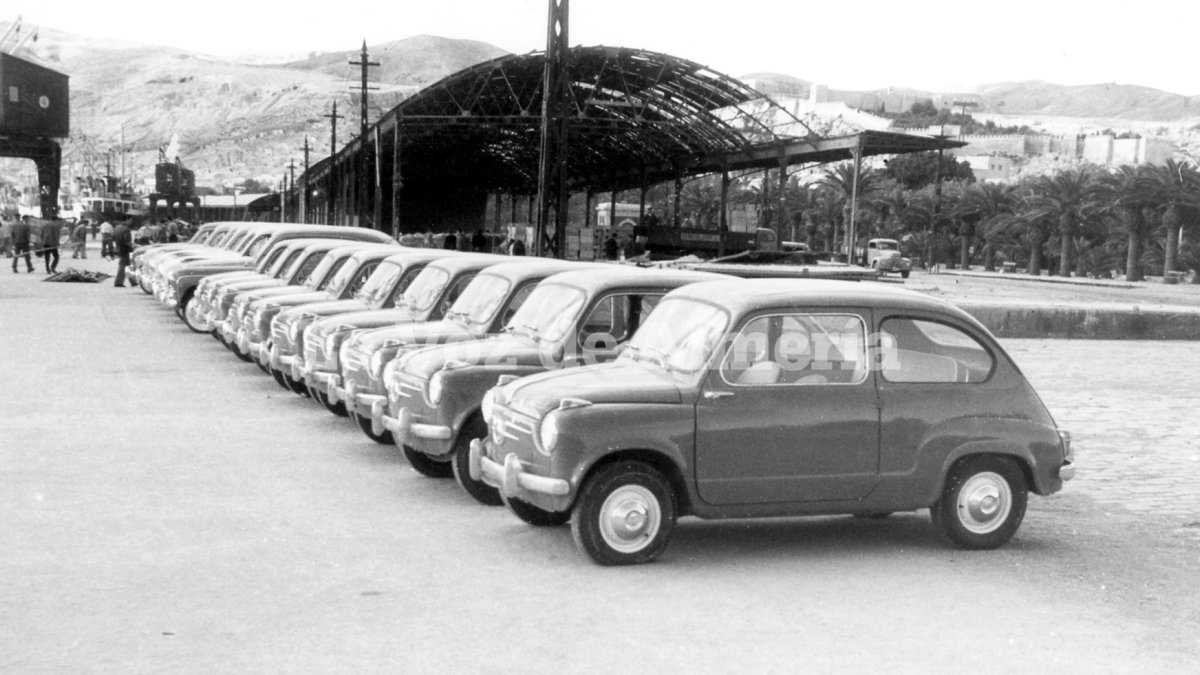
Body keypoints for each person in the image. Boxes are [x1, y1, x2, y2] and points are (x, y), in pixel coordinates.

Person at [113, 219, 133, 287]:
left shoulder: (117, 228)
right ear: (127, 220)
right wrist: (134, 246)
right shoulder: (126, 229)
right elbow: (127, 241)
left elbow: (113, 238)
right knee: (123, 266)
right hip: (125, 249)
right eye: (130, 220)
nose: (131, 222)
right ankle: (118, 282)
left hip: (119, 248)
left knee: (128, 265)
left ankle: (133, 281)